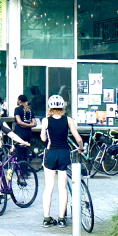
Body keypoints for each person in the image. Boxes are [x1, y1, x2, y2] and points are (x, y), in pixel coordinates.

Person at [40, 94, 85, 228]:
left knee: (49, 187)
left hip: (51, 153)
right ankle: (61, 219)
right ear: (62, 107)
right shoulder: (68, 120)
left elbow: (43, 138)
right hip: (64, 153)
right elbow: (78, 138)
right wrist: (81, 147)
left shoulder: (46, 121)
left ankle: (46, 218)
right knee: (63, 188)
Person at [13, 94, 35, 171]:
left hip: (20, 132)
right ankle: (25, 168)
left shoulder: (17, 109)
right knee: (25, 150)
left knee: (20, 151)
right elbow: (34, 122)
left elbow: (19, 121)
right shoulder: (30, 110)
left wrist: (25, 125)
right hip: (28, 133)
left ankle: (21, 170)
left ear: (20, 100)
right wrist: (30, 125)